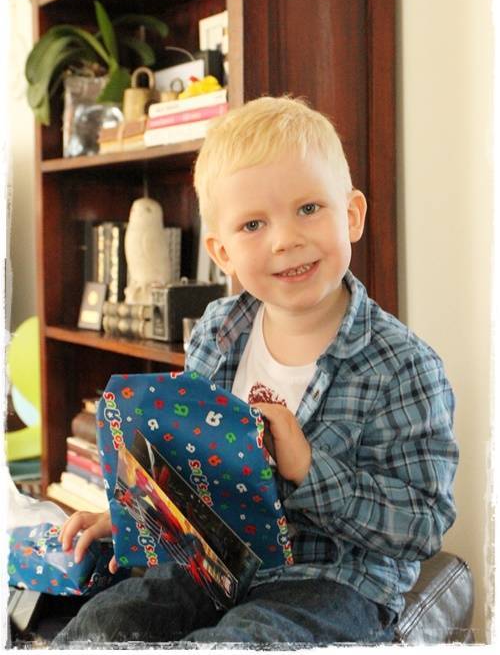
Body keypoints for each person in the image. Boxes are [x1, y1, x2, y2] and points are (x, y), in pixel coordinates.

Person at [53, 96, 458, 647]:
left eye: (309, 208)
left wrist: (308, 470)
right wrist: (134, 516)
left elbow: (423, 525)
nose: (285, 239)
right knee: (103, 625)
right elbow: (186, 466)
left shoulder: (404, 366)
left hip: (332, 582)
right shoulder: (216, 331)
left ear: (352, 215)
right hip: (212, 562)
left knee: (240, 641)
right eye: (253, 224)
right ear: (222, 252)